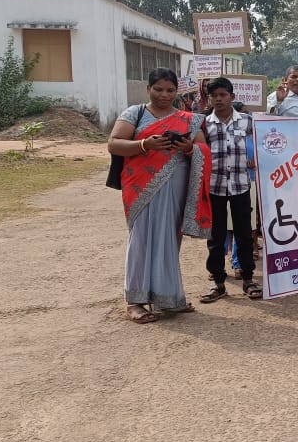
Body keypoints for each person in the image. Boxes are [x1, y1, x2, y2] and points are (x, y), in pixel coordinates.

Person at [107, 67, 212, 324]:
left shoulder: (189, 119)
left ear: (177, 91)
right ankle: (135, 301)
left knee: (168, 239)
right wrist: (145, 144)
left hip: (175, 186)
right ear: (148, 89)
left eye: (170, 90)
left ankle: (169, 296)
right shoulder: (135, 113)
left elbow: (202, 148)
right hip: (141, 186)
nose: (164, 95)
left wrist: (189, 147)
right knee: (141, 238)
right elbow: (114, 144)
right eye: (158, 89)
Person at [198, 77, 261, 303]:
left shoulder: (247, 121)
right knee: (215, 236)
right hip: (214, 187)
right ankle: (218, 282)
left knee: (244, 234)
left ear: (232, 97)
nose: (218, 99)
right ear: (209, 98)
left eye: (223, 95)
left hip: (241, 185)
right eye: (214, 96)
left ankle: (248, 279)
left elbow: (267, 141)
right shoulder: (204, 123)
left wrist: (256, 158)